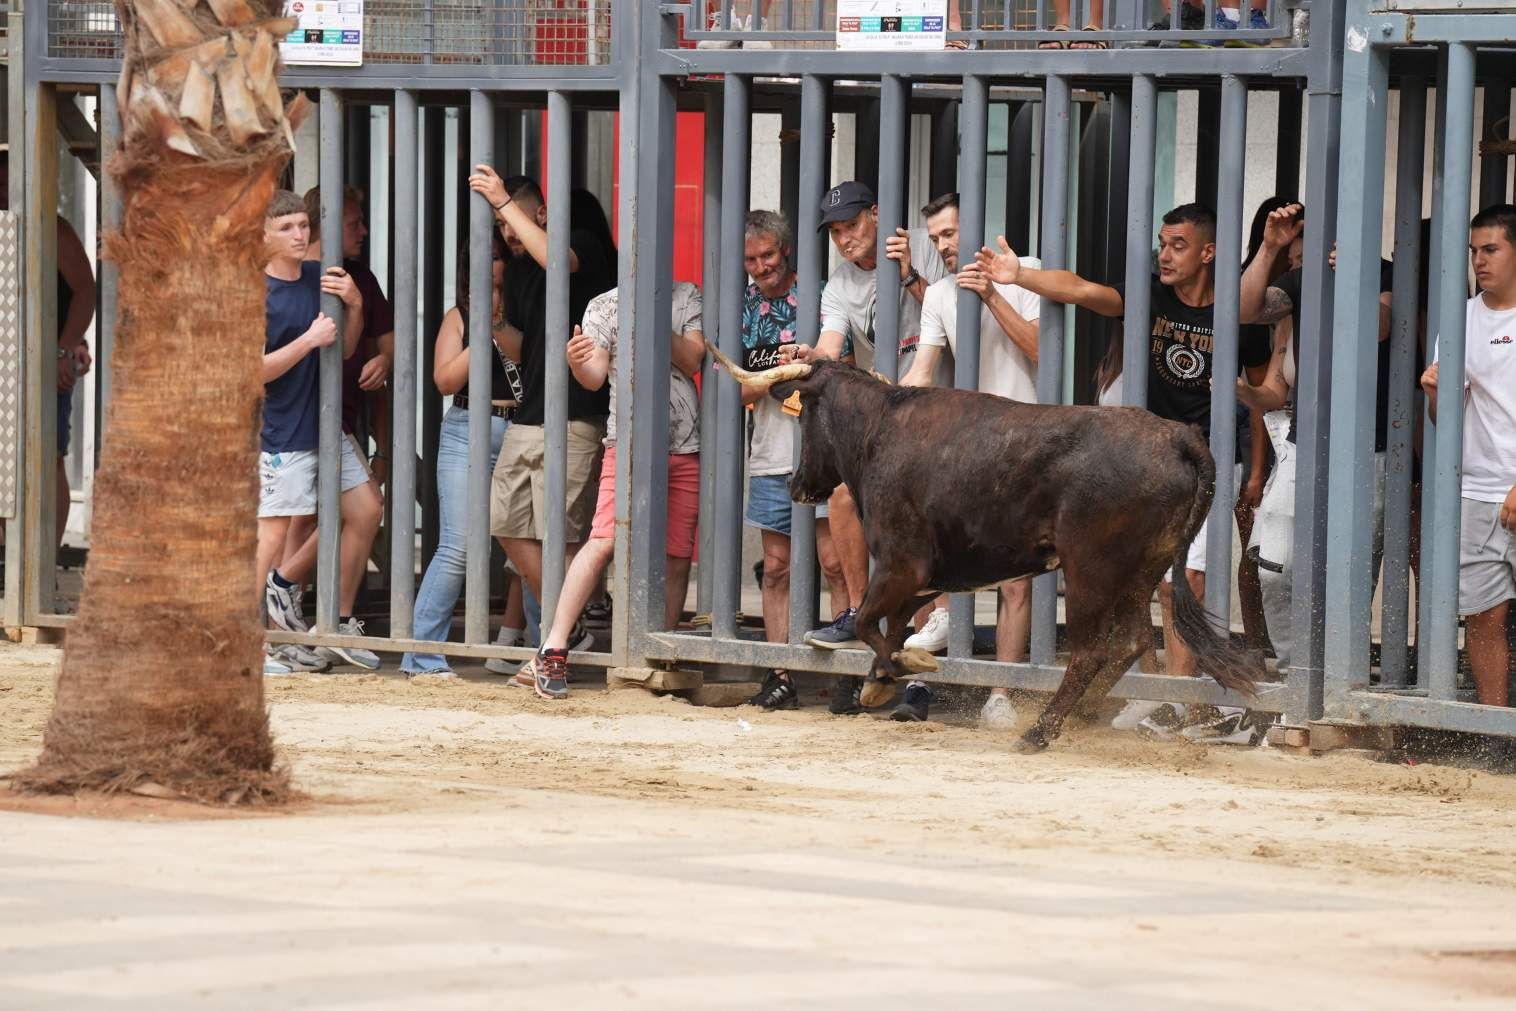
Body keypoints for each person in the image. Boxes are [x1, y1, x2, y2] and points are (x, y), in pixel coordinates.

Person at [975, 202, 1272, 742]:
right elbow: (1081, 289)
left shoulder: (1238, 320)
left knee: (1193, 577)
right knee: (1154, 582)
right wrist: (1018, 276)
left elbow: (1260, 399)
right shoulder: (1150, 296)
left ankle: (1178, 699)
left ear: (1208, 253)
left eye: (1178, 245)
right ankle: (1168, 694)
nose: (1165, 254)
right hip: (1149, 466)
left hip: (1209, 460)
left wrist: (1255, 467)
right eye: (1162, 242)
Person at [787, 181, 950, 716]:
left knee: (924, 543)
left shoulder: (920, 247)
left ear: (876, 216)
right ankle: (862, 613)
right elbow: (833, 347)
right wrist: (812, 355)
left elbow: (953, 316)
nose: (844, 239)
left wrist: (908, 274)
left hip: (942, 417)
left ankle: (922, 685)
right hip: (891, 424)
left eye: (852, 226)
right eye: (835, 231)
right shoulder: (837, 285)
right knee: (841, 502)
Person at [892, 193, 1041, 729]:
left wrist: (994, 295)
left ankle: (1001, 692)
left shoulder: (1031, 275)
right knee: (937, 556)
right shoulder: (939, 297)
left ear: (980, 225)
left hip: (1027, 446)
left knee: (1016, 577)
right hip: (969, 449)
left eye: (950, 234)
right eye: (935, 239)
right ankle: (919, 681)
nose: (943, 246)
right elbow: (923, 372)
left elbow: (1045, 353)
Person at [524, 284, 705, 699]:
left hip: (684, 446)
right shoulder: (603, 303)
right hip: (627, 445)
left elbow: (692, 358)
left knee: (676, 555)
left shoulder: (685, 297)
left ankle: (662, 653)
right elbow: (593, 378)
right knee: (603, 540)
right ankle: (552, 646)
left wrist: (651, 315)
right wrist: (577, 363)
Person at [1238, 202, 1394, 680]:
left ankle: (1343, 682)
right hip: (1304, 446)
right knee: (1274, 567)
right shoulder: (1301, 283)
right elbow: (1246, 310)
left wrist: (1354, 277)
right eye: (1294, 252)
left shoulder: (1383, 274)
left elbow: (1380, 328)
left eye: (1305, 249)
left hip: (1371, 452)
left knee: (1348, 577)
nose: (1298, 260)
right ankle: (1293, 674)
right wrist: (1268, 248)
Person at [465, 170, 616, 655]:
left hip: (576, 415)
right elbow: (523, 347)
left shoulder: (583, 244)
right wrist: (490, 318)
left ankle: (556, 642)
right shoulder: (519, 270)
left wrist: (502, 199)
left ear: (544, 214)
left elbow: (559, 258)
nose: (506, 231)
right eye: (499, 223)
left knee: (563, 536)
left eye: (513, 219)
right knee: (506, 523)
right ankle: (564, 629)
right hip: (529, 415)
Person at [262, 185, 390, 672]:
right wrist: (310, 340)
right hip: (283, 430)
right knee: (276, 531)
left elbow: (347, 349)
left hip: (327, 422)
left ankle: (313, 611)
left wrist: (355, 306)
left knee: (365, 506)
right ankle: (261, 637)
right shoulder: (258, 289)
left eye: (302, 226)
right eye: (287, 227)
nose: (298, 234)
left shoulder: (323, 277)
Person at [399, 231, 530, 677]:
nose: (492, 265)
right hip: (465, 429)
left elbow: (531, 365)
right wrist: (480, 334)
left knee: (533, 549)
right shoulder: (458, 316)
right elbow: (444, 380)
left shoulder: (527, 309)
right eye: (483, 258)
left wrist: (499, 326)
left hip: (521, 431)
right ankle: (421, 656)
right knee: (457, 547)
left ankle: (542, 654)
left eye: (497, 257)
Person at [739, 211, 853, 712]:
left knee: (835, 562)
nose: (761, 267)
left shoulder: (822, 295)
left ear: (785, 251)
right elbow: (743, 384)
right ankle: (780, 672)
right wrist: (779, 370)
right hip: (770, 449)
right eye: (751, 258)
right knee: (778, 568)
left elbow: (845, 366)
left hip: (825, 449)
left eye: (768, 255)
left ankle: (848, 672)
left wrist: (781, 370)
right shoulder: (742, 302)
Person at [1421, 204, 1516, 708]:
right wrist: (1437, 394)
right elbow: (1445, 423)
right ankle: (1495, 728)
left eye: (1491, 250)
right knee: (1484, 615)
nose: (1479, 261)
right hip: (1478, 490)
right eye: (1474, 251)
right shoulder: (1460, 318)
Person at [0, 152, 96, 581]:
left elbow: (86, 291)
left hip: (42, 361)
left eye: (9, 181)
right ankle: (10, 562)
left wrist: (63, 348)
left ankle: (43, 564)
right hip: (10, 358)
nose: (4, 191)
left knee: (48, 456)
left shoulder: (49, 227)